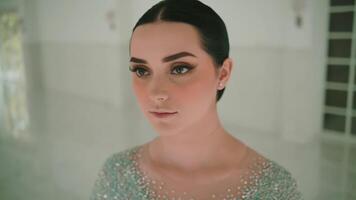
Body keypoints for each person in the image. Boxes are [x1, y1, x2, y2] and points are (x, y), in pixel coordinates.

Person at [90, 0, 303, 199]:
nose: (155, 92)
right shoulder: (115, 175)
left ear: (223, 74)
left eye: (179, 68)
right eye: (141, 70)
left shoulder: (275, 188)